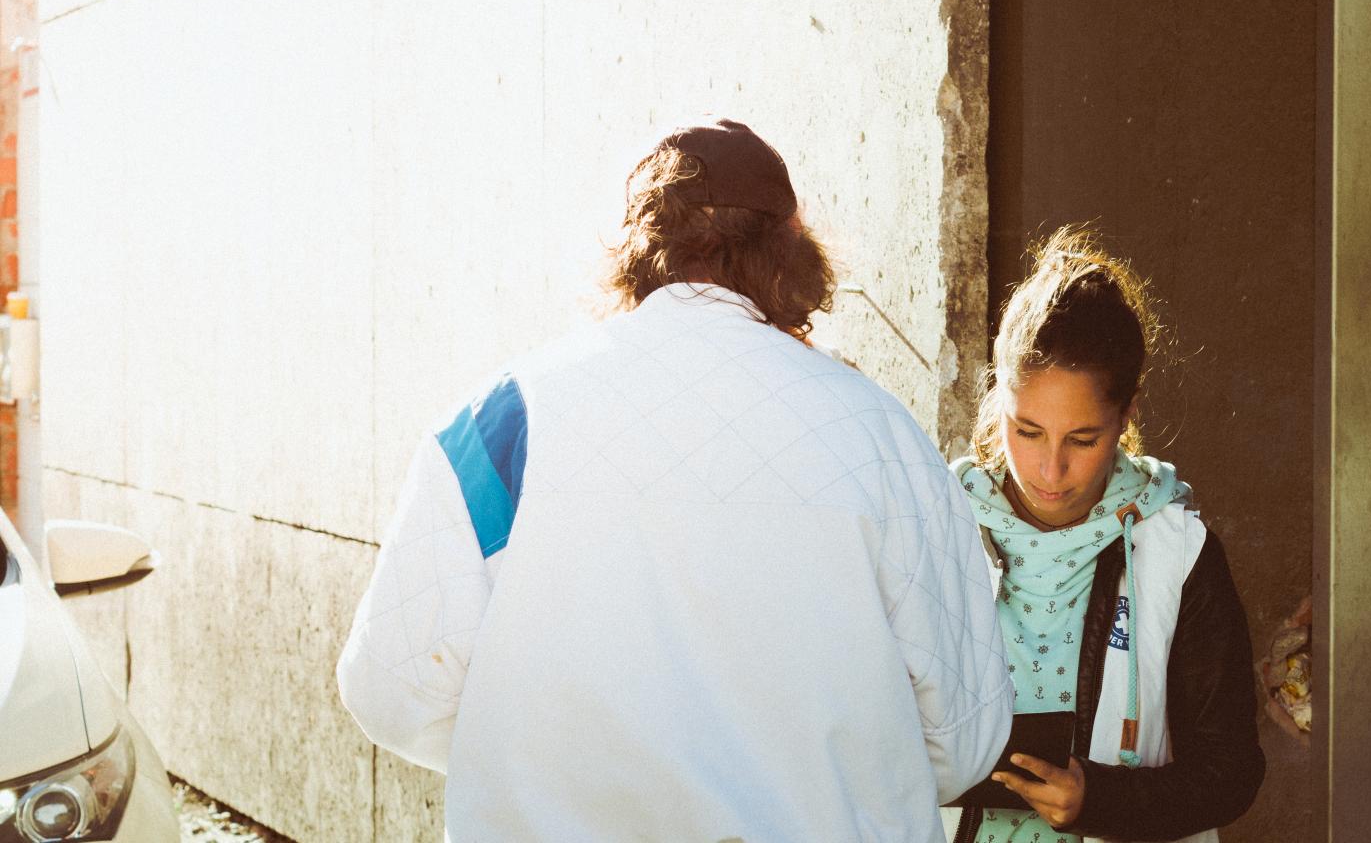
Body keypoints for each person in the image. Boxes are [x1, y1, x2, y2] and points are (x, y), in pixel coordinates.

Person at [336, 118, 1012, 841]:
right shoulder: (882, 437)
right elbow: (964, 735)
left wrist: (539, 767)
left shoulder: (503, 423)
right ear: (788, 253)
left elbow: (391, 692)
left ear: (636, 251)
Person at [942, 227, 1264, 843]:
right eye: (1027, 431)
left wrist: (1101, 799)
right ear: (997, 398)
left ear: (1126, 415)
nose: (1049, 469)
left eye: (1082, 440)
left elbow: (1232, 772)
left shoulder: (1178, 552)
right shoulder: (939, 528)